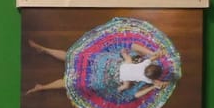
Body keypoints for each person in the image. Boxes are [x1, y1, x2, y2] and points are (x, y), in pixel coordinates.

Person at [24, 37, 169, 97]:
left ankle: (44, 51)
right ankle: (42, 86)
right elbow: (135, 93)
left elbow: (137, 56)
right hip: (110, 75)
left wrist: (155, 55)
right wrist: (152, 86)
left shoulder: (145, 63)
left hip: (109, 66)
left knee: (72, 59)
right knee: (71, 80)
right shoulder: (147, 79)